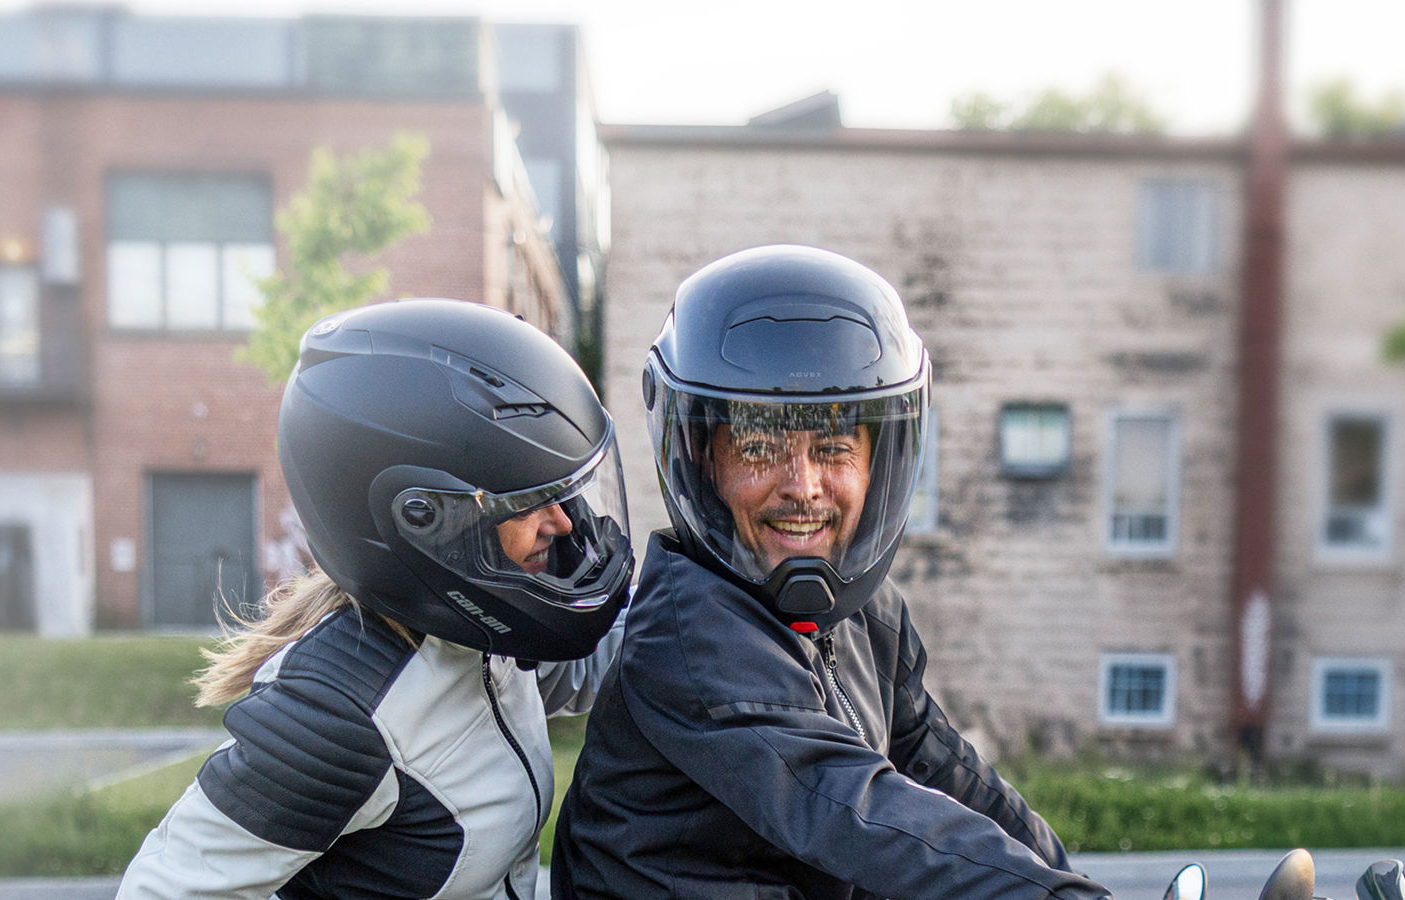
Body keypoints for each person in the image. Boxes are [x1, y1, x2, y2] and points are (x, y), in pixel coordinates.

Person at [551, 245, 1112, 900]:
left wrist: (1066, 877)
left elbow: (948, 773)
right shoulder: (688, 636)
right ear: (705, 464)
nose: (803, 485)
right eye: (758, 448)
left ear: (878, 465)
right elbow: (856, 810)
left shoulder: (868, 616)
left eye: (833, 449)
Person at [117, 298, 634, 900]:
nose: (563, 523)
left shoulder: (483, 631)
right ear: (423, 522)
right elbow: (162, 890)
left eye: (563, 493)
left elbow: (586, 664)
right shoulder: (337, 720)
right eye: (527, 503)